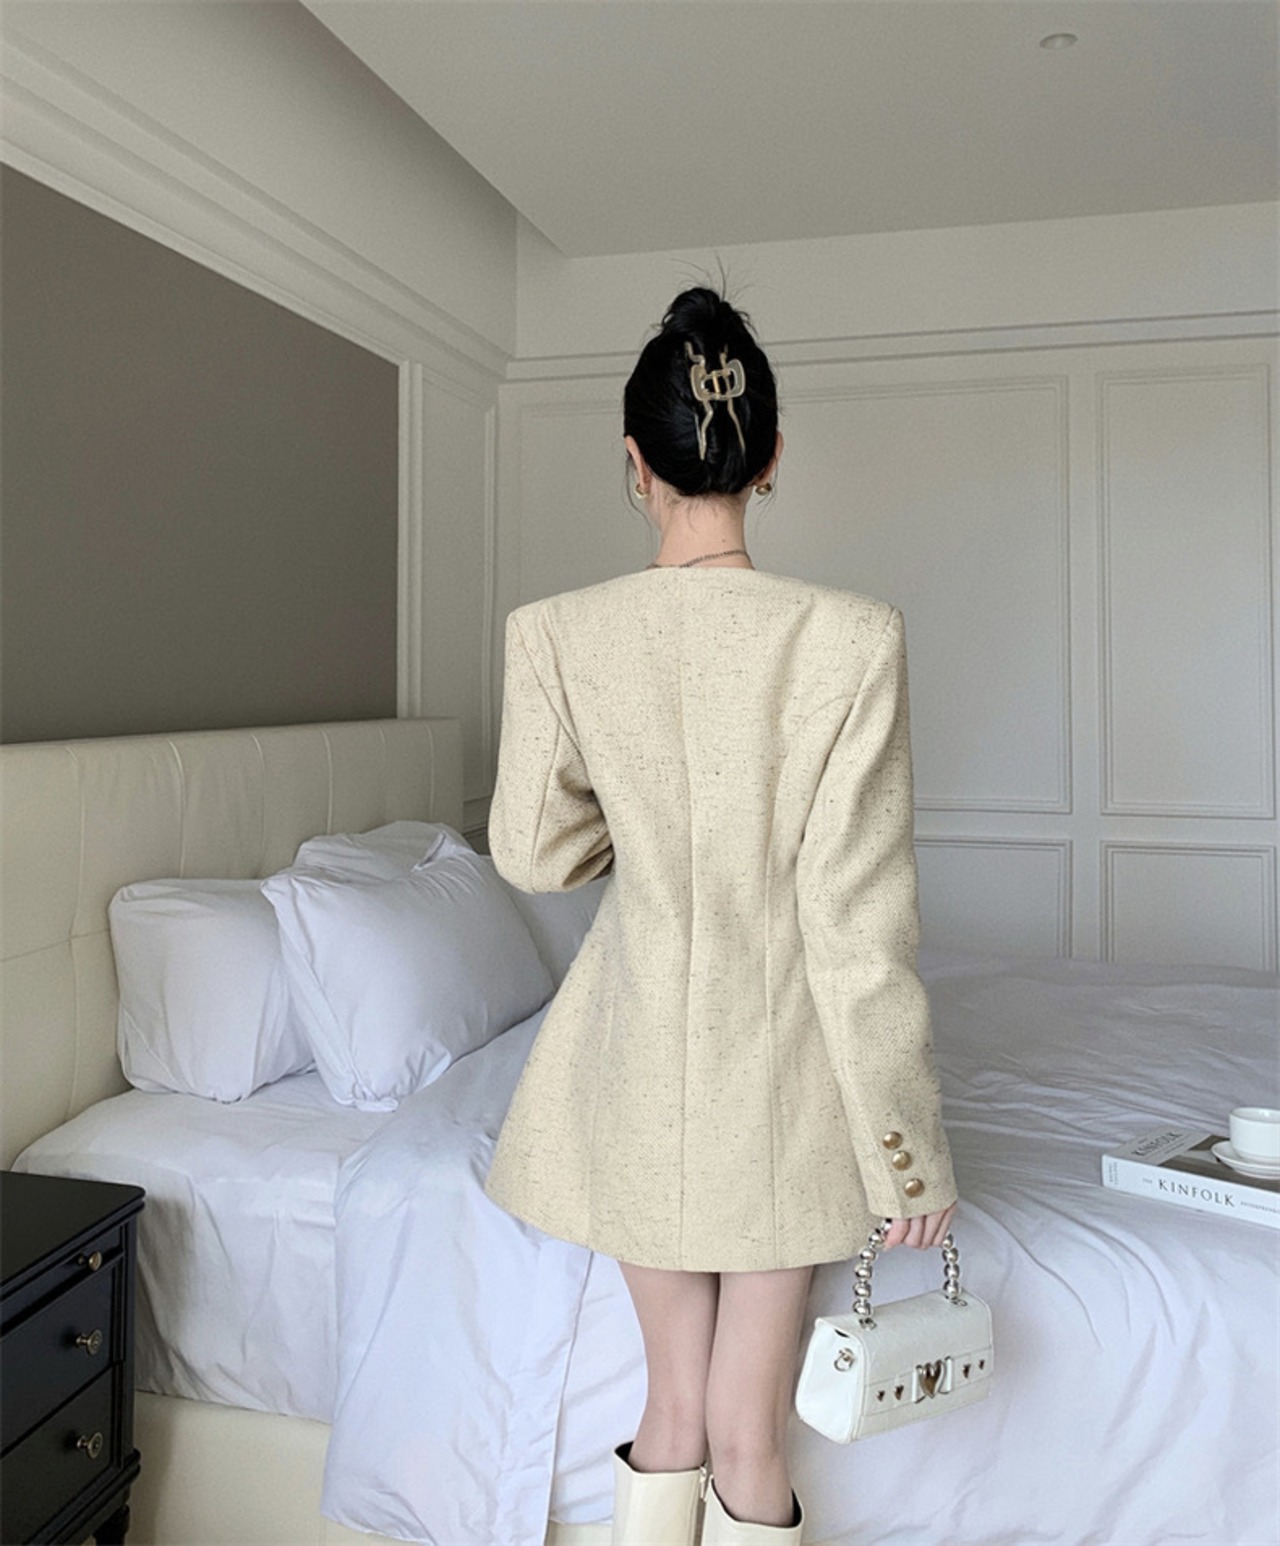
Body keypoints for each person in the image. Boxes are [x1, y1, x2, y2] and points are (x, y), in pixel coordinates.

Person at [484, 287, 958, 1546]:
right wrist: (905, 1150)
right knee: (750, 1434)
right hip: (784, 1080)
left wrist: (639, 823)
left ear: (633, 464)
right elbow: (857, 928)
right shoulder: (851, 639)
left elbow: (530, 853)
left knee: (673, 1410)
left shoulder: (554, 636)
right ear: (770, 457)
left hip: (632, 1066)